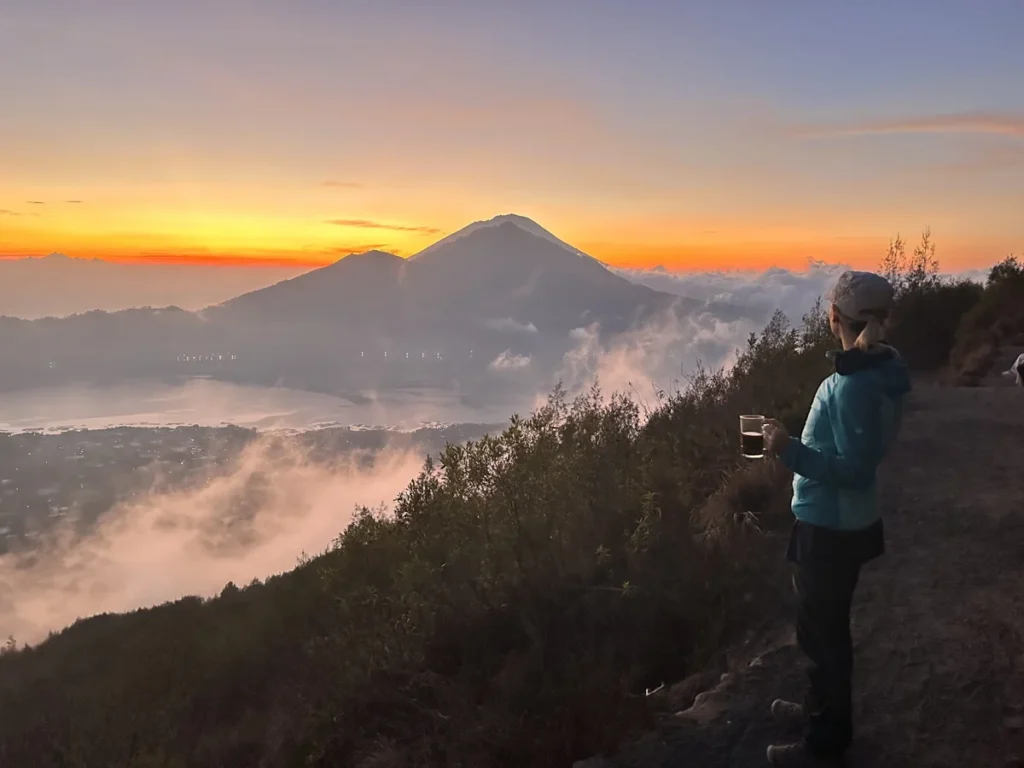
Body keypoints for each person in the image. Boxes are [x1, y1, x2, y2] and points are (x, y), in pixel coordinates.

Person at [760, 270, 912, 767]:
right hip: (841, 523)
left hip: (831, 528)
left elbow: (853, 469)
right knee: (820, 631)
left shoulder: (853, 388)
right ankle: (816, 709)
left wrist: (787, 451)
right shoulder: (882, 369)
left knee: (822, 638)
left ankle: (824, 743)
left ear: (833, 319)